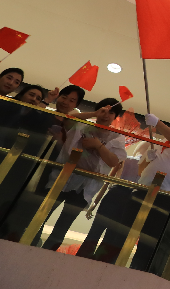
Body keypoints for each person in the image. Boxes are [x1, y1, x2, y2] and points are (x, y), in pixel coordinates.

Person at [35, 98, 125, 250]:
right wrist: (94, 114)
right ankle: (32, 242)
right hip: (63, 177)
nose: (106, 115)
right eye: (103, 110)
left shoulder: (117, 137)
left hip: (85, 186)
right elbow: (68, 117)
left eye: (111, 113)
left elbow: (113, 162)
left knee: (64, 224)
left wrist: (98, 145)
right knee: (42, 213)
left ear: (115, 117)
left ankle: (49, 251)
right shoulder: (83, 125)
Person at [129, 105, 170, 270]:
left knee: (149, 236)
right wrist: (148, 158)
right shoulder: (159, 144)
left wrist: (157, 123)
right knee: (128, 229)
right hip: (143, 188)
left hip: (165, 194)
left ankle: (139, 270)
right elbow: (141, 170)